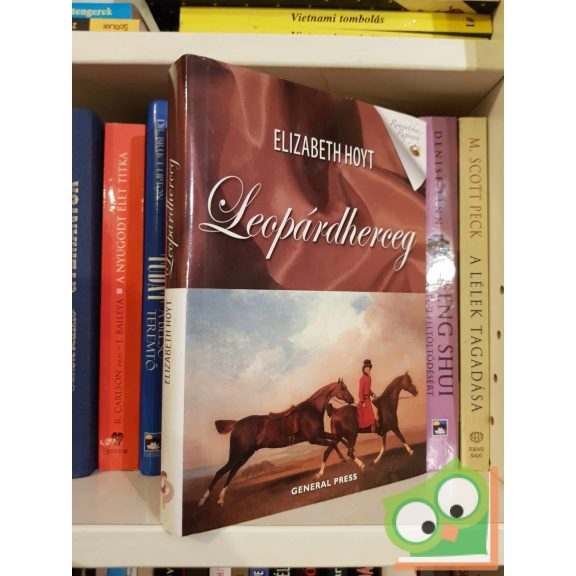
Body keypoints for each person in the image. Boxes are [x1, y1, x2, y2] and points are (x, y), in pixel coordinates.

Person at [357, 358, 379, 433]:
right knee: (369, 417)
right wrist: (362, 402)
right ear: (364, 369)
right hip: (364, 401)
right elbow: (360, 392)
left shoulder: (369, 377)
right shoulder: (362, 378)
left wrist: (372, 394)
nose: (369, 369)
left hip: (369, 400)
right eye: (367, 367)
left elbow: (368, 389)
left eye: (369, 367)